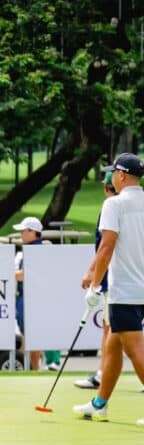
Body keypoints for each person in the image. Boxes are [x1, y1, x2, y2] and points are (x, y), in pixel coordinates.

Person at [74, 152, 144, 424]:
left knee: (134, 349)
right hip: (139, 288)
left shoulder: (114, 204)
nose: (113, 177)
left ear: (122, 175)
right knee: (113, 346)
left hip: (125, 290)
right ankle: (99, 403)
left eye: (114, 172)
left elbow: (107, 245)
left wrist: (94, 284)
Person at [74, 168, 119, 390]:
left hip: (117, 281)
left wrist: (93, 278)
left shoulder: (111, 208)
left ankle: (102, 376)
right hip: (128, 280)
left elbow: (105, 246)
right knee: (116, 330)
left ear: (105, 187)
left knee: (112, 330)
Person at [12, 217, 61, 371]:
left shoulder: (35, 250)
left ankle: (33, 371)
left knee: (33, 337)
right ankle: (32, 369)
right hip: (27, 298)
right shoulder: (32, 250)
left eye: (23, 230)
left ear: (33, 232)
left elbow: (27, 275)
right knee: (30, 337)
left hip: (31, 300)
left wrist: (7, 273)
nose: (21, 233)